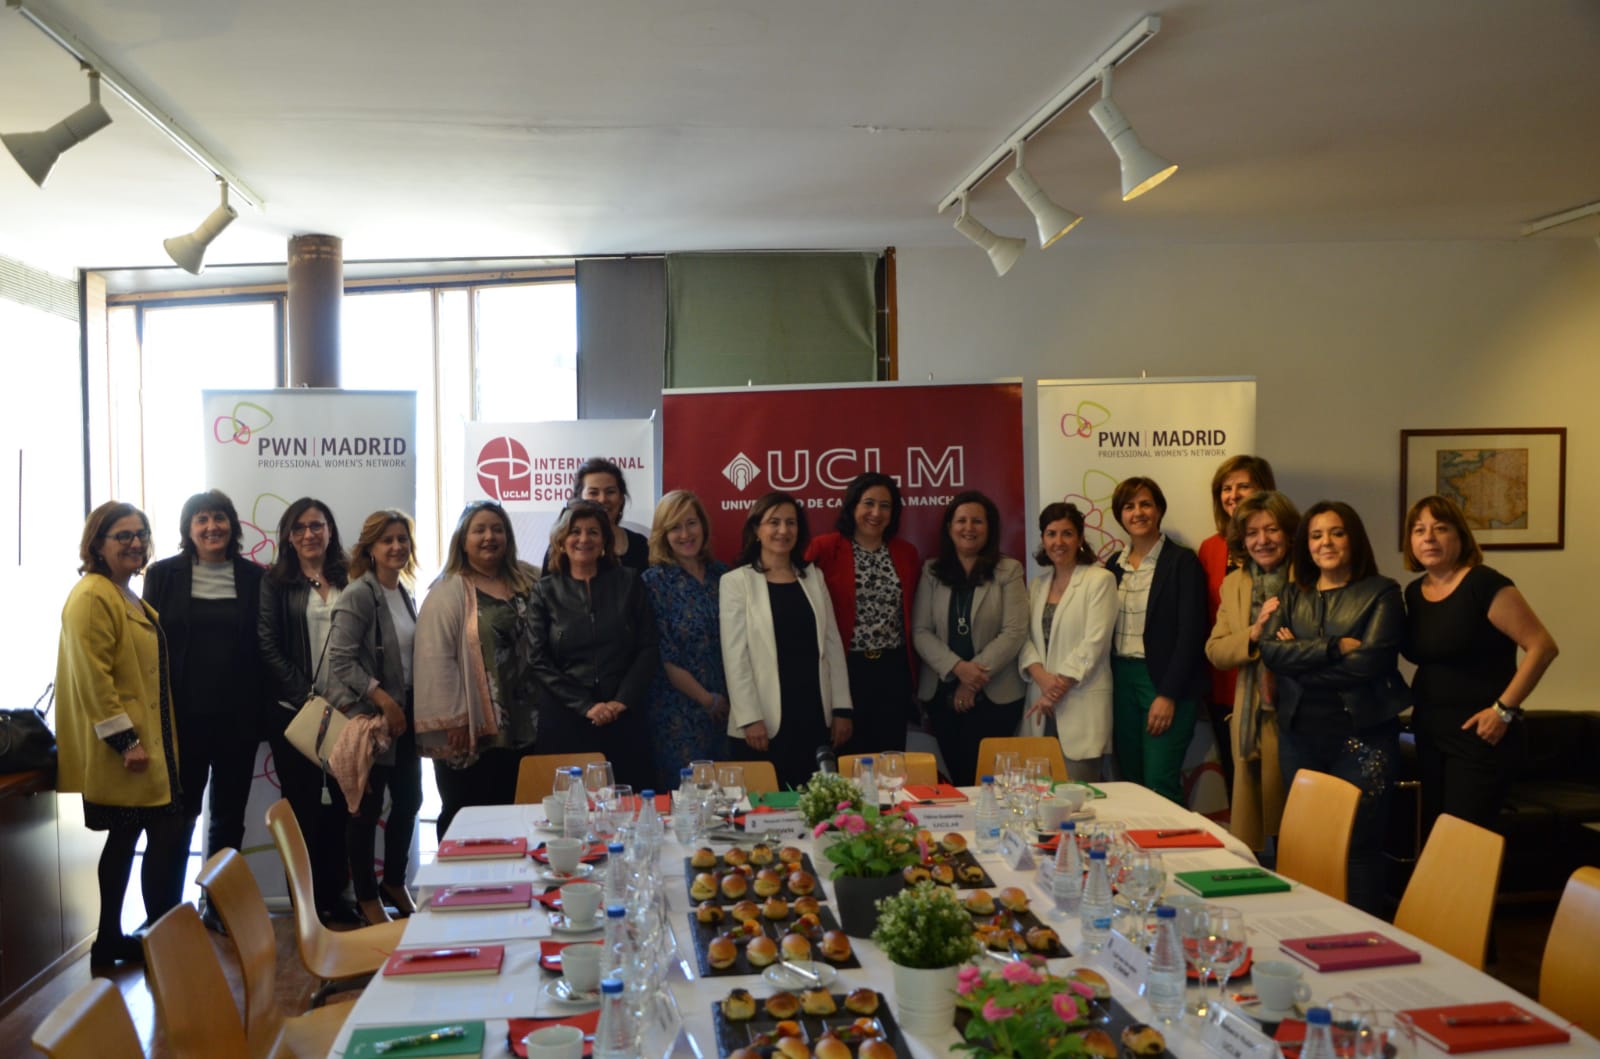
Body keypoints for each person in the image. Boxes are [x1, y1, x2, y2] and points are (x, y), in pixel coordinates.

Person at [1260, 500, 1409, 916]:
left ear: (1353, 538)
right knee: (1308, 843)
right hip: (1300, 737)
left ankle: (1364, 938)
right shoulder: (1292, 594)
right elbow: (1271, 652)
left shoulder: (1382, 592)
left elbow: (1368, 664)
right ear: (1306, 545)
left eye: (1336, 532)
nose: (1326, 542)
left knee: (1359, 845)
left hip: (1362, 737)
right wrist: (1332, 647)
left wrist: (1300, 661)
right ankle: (1313, 930)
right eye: (1316, 535)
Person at [56, 501, 188, 968]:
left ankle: (115, 940)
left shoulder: (125, 594)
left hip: (148, 745)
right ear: (97, 544)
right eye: (123, 536)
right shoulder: (93, 595)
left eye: (141, 534)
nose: (135, 543)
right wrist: (125, 742)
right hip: (126, 750)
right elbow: (95, 680)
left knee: (136, 839)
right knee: (143, 837)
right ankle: (133, 939)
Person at [140, 489, 265, 930]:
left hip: (238, 719)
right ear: (188, 529)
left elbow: (263, 648)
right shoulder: (163, 575)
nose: (212, 526)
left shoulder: (253, 577)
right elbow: (148, 647)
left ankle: (218, 906)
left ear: (232, 525)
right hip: (181, 721)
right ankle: (166, 918)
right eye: (202, 519)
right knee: (178, 818)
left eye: (219, 518)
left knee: (229, 819)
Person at [1402, 495, 1558, 834]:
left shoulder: (1483, 584)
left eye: (1440, 528)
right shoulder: (1414, 593)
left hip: (1481, 738)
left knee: (1464, 843)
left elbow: (1542, 647)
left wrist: (1503, 710)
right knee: (1436, 838)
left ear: (1460, 537)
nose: (1428, 537)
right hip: (1431, 733)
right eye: (1419, 530)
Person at [414, 500, 541, 839]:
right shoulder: (447, 590)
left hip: (527, 722)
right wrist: (452, 718)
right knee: (466, 816)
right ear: (463, 539)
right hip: (472, 728)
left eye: (497, 529)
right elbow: (434, 658)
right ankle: (459, 887)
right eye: (479, 530)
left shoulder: (530, 578)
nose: (489, 537)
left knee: (518, 815)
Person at [258, 498, 356, 925]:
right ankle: (306, 904)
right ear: (288, 537)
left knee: (342, 806)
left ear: (330, 531)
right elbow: (267, 644)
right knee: (300, 810)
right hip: (295, 714)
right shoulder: (276, 583)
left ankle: (339, 895)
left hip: (349, 713)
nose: (309, 534)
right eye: (299, 528)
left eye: (317, 525)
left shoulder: (351, 578)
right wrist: (307, 698)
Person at [324, 510, 422, 925]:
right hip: (371, 721)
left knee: (410, 800)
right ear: (370, 548)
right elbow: (341, 661)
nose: (397, 547)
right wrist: (384, 699)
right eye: (388, 540)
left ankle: (393, 882)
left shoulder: (403, 592)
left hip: (404, 719)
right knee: (364, 812)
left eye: (403, 539)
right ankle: (366, 896)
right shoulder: (359, 593)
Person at [721, 492, 853, 788]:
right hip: (763, 721)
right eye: (774, 522)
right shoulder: (735, 582)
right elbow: (735, 657)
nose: (783, 531)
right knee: (766, 814)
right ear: (757, 529)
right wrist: (749, 718)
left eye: (791, 523)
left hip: (814, 713)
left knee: (815, 805)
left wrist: (842, 708)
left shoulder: (813, 577)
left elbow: (832, 645)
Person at [528, 501, 659, 790]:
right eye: (575, 531)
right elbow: (538, 659)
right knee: (567, 815)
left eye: (593, 532)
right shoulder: (544, 591)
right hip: (567, 719)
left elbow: (648, 647)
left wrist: (620, 701)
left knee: (629, 810)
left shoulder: (629, 582)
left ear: (605, 541)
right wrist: (586, 706)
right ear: (561, 540)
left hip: (623, 717)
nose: (584, 539)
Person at [1205, 490, 1300, 854]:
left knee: (1294, 828)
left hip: (1296, 715)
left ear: (1289, 533)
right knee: (1255, 835)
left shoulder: (1307, 576)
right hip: (1248, 717)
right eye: (1252, 533)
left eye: (1272, 530)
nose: (1262, 541)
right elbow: (1216, 650)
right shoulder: (1235, 583)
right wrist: (1255, 633)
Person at [912, 490, 1029, 787]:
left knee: (987, 781)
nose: (969, 527)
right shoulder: (932, 570)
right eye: (961, 520)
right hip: (943, 694)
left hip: (996, 696)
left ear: (989, 528)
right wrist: (958, 669)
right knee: (958, 778)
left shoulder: (1008, 570)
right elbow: (921, 631)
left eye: (977, 521)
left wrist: (972, 680)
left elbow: (1014, 631)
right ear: (949, 527)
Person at [1105, 477, 1208, 806]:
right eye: (1129, 506)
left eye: (1146, 504)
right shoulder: (1112, 567)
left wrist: (1167, 694)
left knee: (1160, 782)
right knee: (1130, 781)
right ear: (1120, 515)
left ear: (1160, 509)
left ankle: (1170, 854)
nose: (1138, 512)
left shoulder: (1182, 562)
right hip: (1120, 679)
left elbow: (1192, 634)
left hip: (1163, 682)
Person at [804, 472, 920, 757]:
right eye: (868, 503)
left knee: (890, 759)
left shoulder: (906, 553)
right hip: (844, 669)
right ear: (853, 506)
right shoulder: (825, 548)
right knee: (846, 756)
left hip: (892, 671)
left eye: (885, 506)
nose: (876, 513)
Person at [1018, 502, 1117, 782]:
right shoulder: (1037, 586)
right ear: (1042, 539)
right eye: (1051, 534)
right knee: (1039, 798)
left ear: (1080, 539)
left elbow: (1094, 643)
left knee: (1080, 800)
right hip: (1040, 705)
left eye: (1067, 534)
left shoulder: (1100, 580)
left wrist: (1056, 688)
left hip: (1080, 703)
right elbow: (1024, 638)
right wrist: (1041, 678)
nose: (1058, 542)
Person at [1197, 456, 1276, 791]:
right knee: (1239, 784)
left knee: (1277, 783)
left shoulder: (1283, 543)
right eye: (1226, 488)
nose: (1233, 494)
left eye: (1243, 485)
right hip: (1225, 681)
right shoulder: (1211, 548)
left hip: (1273, 684)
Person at [642, 490, 730, 789]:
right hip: (677, 713)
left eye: (691, 523)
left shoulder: (724, 576)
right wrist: (707, 699)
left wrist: (727, 701)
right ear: (663, 535)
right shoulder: (653, 582)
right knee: (687, 801)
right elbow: (663, 654)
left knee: (726, 798)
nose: (685, 534)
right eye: (674, 527)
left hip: (729, 710)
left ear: (703, 525)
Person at [550, 457, 650, 573]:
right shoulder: (564, 547)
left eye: (610, 492)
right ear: (578, 498)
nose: (602, 499)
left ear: (621, 498)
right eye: (593, 492)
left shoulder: (640, 545)